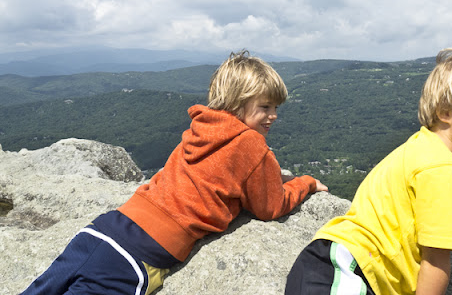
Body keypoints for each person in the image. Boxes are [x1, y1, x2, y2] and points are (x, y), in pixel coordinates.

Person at [22, 50, 328, 295]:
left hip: (103, 229)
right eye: (265, 107)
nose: (273, 116)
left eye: (276, 108)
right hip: (138, 254)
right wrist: (306, 184)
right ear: (237, 103)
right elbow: (270, 207)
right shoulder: (251, 144)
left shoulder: (201, 127)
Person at [285, 48, 452, 295]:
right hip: (348, 270)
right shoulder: (441, 169)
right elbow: (436, 260)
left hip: (336, 264)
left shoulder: (423, 146)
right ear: (446, 112)